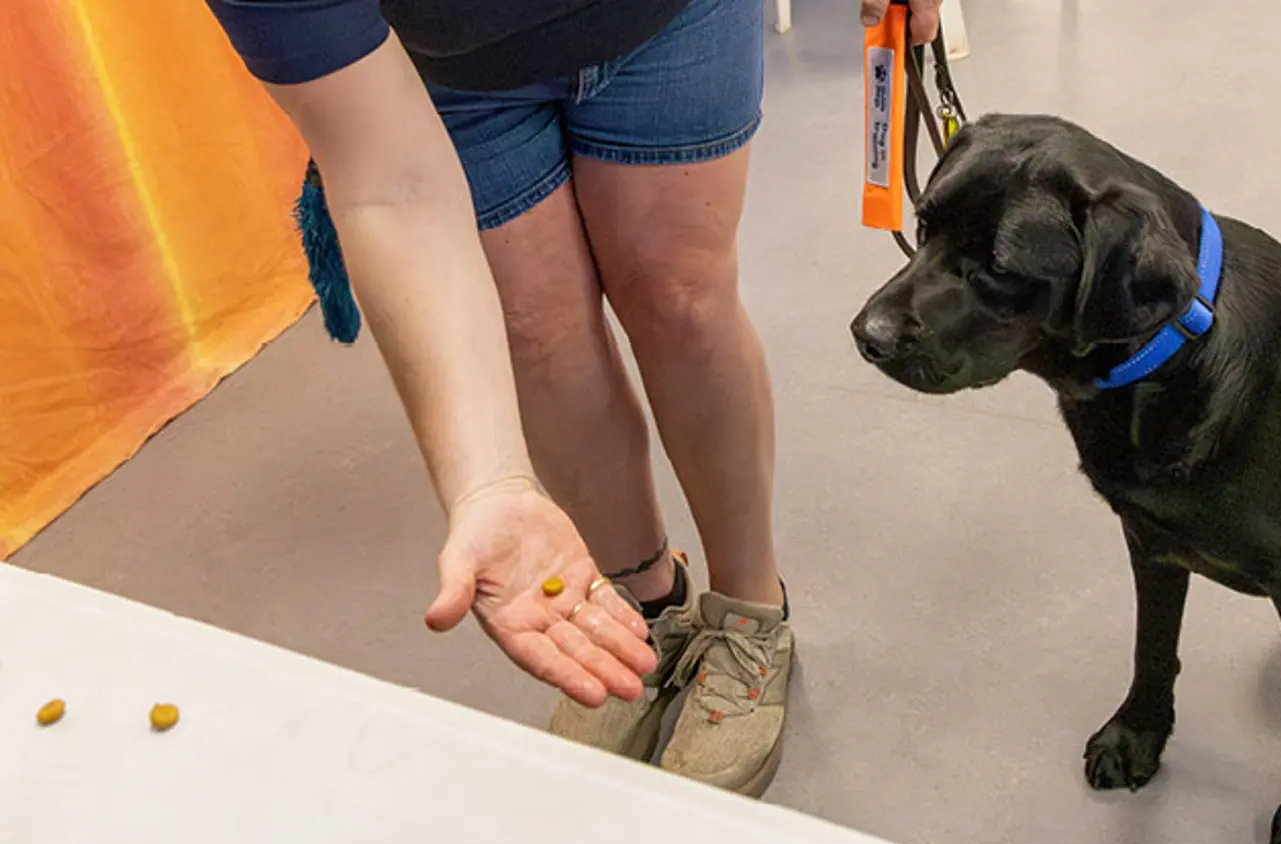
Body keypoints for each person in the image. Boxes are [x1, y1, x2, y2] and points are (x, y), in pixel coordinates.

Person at [203, 0, 941, 796]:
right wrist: (487, 483)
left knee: (681, 300)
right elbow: (385, 183)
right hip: (450, 68)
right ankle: (639, 606)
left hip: (675, 21)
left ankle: (749, 614)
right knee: (535, 335)